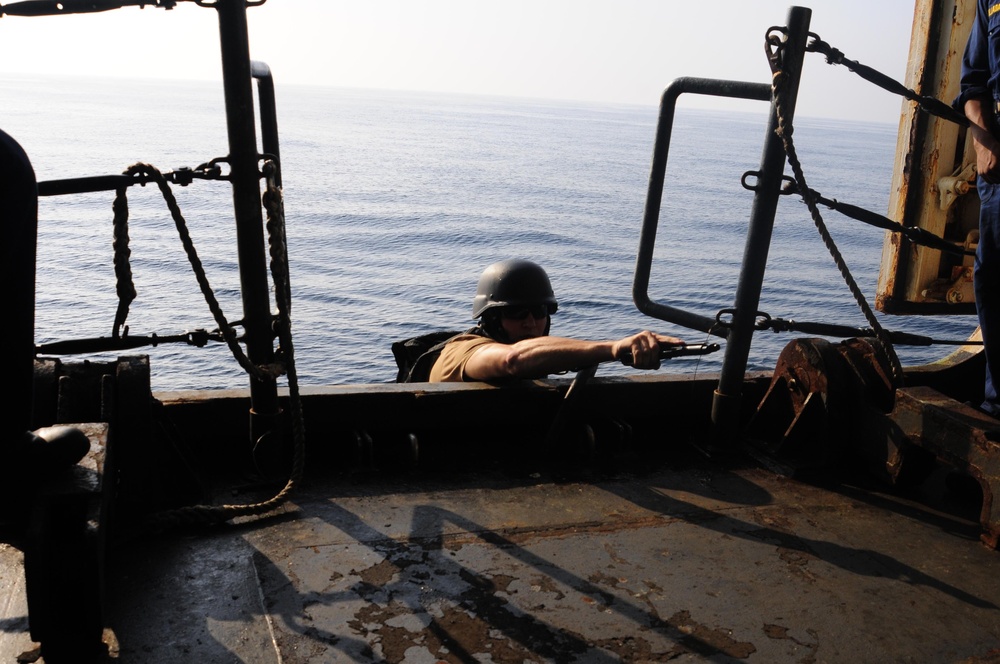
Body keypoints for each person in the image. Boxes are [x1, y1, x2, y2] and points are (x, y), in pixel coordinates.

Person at [428, 259, 684, 382]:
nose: (531, 322)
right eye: (517, 313)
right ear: (491, 319)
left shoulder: (535, 359)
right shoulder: (462, 351)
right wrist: (613, 349)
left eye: (539, 311)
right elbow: (512, 359)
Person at [959, 0, 1000, 417]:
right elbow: (973, 83)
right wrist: (983, 143)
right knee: (991, 285)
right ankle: (997, 403)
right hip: (999, 165)